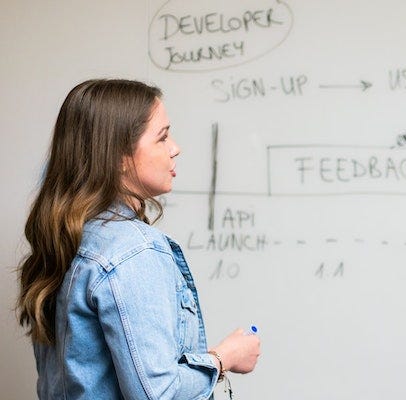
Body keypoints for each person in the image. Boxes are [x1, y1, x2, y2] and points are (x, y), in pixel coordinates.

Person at [16, 79, 260, 399]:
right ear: (118, 156)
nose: (175, 148)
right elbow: (156, 394)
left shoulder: (69, 238)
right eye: (162, 137)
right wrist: (223, 358)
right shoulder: (133, 249)